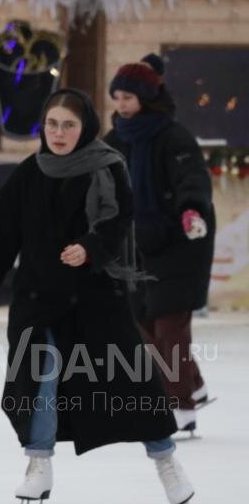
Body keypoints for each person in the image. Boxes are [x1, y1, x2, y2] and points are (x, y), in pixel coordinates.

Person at [0, 88, 194, 504]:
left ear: (84, 127)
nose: (60, 133)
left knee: (134, 384)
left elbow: (120, 218)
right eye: (52, 124)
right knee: (39, 381)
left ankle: (166, 462)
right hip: (39, 297)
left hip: (96, 297)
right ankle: (38, 465)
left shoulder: (107, 167)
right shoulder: (29, 173)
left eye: (69, 125)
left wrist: (91, 248)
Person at [103, 54, 216, 436]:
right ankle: (194, 386)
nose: (121, 104)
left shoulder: (173, 136)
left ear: (146, 98)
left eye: (128, 97)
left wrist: (191, 211)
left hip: (181, 242)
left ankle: (179, 409)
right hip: (135, 245)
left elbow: (192, 180)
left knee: (170, 329)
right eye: (116, 97)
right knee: (142, 327)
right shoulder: (115, 139)